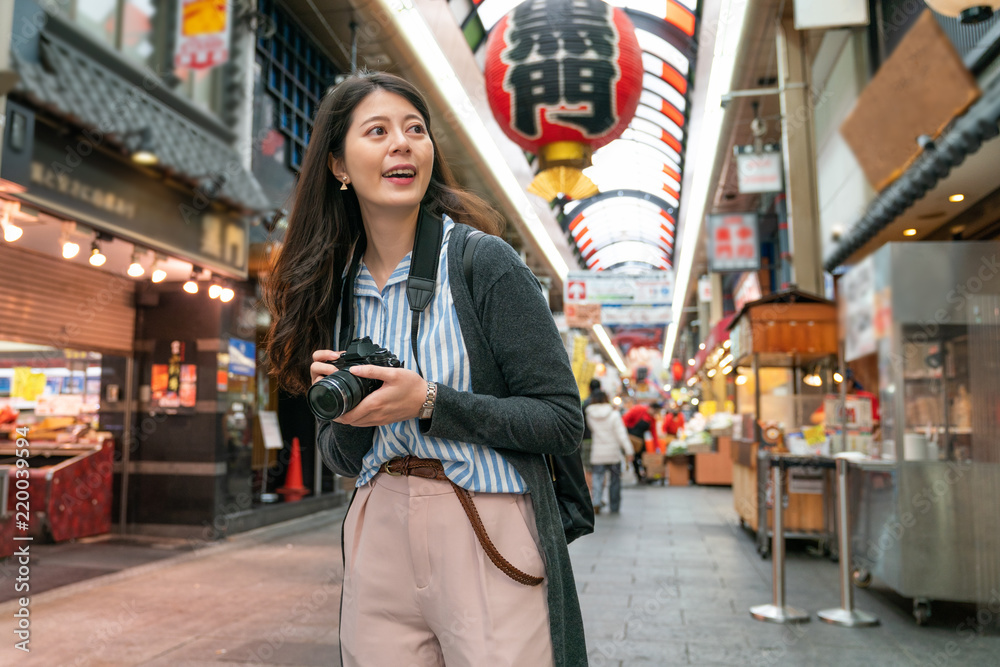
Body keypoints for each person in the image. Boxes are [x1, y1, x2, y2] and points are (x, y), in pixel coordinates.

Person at [263, 71, 586, 667]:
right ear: (338, 164)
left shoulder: (481, 262)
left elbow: (562, 421)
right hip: (377, 522)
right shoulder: (333, 285)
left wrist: (431, 401)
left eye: (415, 129)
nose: (402, 143)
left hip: (485, 521)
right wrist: (349, 414)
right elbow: (339, 459)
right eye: (378, 130)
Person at [585, 389, 633, 514]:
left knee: (597, 478)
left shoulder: (590, 414)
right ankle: (614, 506)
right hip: (613, 453)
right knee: (615, 480)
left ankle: (596, 502)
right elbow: (621, 435)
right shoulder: (614, 415)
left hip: (598, 452)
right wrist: (629, 451)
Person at [622, 401, 662, 481]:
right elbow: (624, 420)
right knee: (634, 457)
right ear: (651, 408)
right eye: (655, 412)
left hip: (640, 439)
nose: (655, 414)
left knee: (643, 456)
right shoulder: (638, 409)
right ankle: (638, 475)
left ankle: (646, 474)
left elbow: (654, 434)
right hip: (631, 437)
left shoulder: (652, 419)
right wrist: (624, 435)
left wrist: (657, 447)